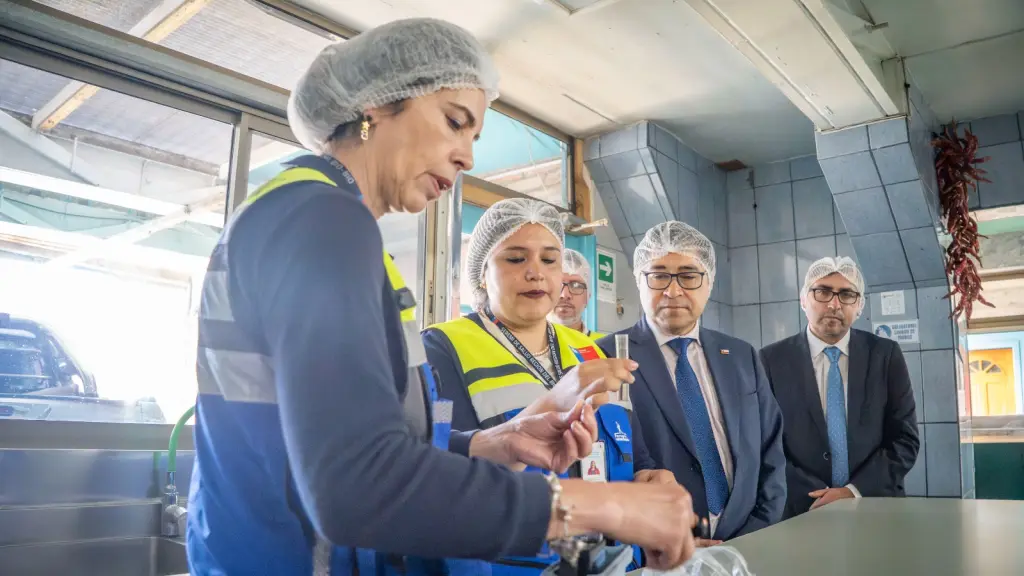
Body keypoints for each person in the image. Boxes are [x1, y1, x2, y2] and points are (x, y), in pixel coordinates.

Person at [185, 18, 698, 575]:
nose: (467, 157)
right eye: (455, 122)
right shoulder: (324, 221)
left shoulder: (309, 213)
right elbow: (356, 485)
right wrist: (606, 507)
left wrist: (489, 443)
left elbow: (333, 437)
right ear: (377, 104)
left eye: (474, 138)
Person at [423, 198, 677, 573]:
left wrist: (648, 478)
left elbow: (635, 454)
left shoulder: (588, 349)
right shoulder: (444, 347)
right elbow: (443, 466)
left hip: (616, 562)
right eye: (515, 258)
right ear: (481, 273)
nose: (536, 273)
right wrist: (554, 400)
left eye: (549, 260)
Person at [597, 221, 786, 546]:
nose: (673, 291)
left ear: (708, 283)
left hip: (748, 543)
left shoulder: (741, 355)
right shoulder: (605, 356)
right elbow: (604, 470)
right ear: (640, 280)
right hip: (658, 550)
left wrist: (754, 534)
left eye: (688, 276)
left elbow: (771, 450)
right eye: (659, 276)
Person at [759, 257, 920, 519]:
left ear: (859, 305)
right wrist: (816, 496)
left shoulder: (885, 355)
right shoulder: (770, 360)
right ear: (803, 299)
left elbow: (905, 439)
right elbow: (764, 443)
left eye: (846, 294)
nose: (834, 304)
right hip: (801, 510)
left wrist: (852, 491)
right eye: (822, 292)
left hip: (874, 505)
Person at [550, 248, 605, 339]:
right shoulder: (527, 343)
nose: (565, 295)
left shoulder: (603, 345)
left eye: (576, 285)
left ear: (587, 297)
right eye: (557, 284)